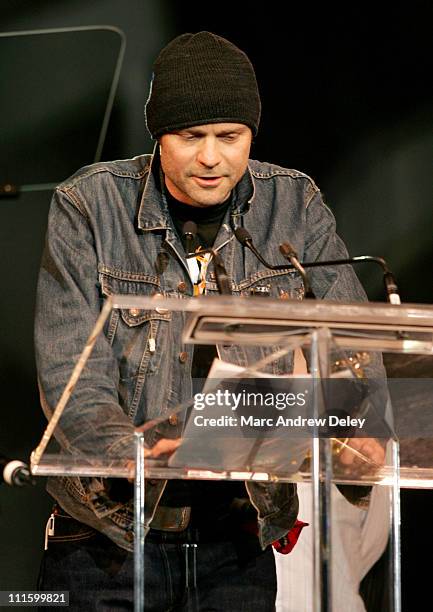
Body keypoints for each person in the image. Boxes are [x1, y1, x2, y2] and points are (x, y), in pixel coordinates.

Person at [35, 31, 385, 611]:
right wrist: (138, 456)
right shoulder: (88, 206)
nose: (210, 157)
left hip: (237, 544)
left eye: (230, 137)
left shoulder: (293, 205)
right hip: (109, 540)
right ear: (157, 137)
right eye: (190, 136)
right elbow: (72, 377)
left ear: (251, 134)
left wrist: (350, 439)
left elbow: (351, 347)